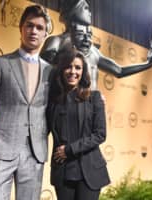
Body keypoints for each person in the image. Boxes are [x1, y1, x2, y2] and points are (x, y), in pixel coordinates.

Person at [0, 4, 52, 200]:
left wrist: (91, 95)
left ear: (45, 34)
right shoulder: (1, 63)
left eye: (39, 28)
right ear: (21, 29)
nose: (34, 31)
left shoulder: (52, 71)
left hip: (35, 153)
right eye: (29, 25)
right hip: (0, 150)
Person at [40, 0, 152, 90]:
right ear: (72, 10)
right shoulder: (56, 42)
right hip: (65, 108)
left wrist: (148, 64)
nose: (89, 13)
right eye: (85, 8)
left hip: (91, 109)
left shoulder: (93, 51)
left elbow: (119, 71)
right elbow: (41, 75)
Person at [47, 46, 110, 200]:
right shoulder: (52, 101)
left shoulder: (94, 98)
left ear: (83, 72)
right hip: (62, 171)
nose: (73, 72)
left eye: (78, 67)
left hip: (90, 171)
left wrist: (70, 150)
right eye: (68, 67)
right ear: (61, 70)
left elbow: (100, 135)